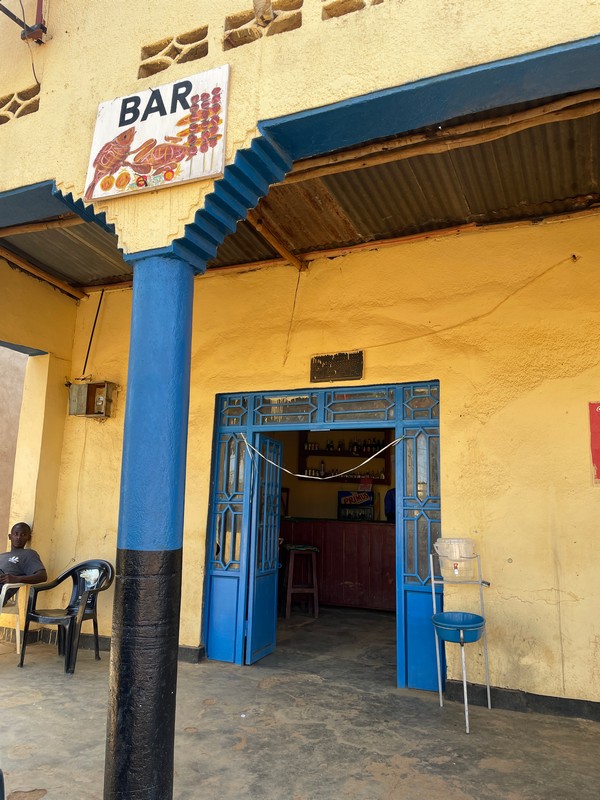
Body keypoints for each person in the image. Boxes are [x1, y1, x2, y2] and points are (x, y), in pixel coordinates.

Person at [0, 522, 47, 605]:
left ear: (28, 538)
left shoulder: (29, 554)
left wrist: (16, 579)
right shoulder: (2, 555)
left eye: (23, 535)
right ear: (10, 536)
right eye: (16, 534)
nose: (18, 538)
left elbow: (42, 576)